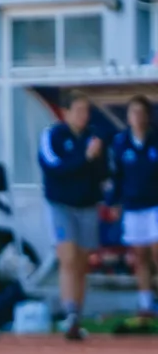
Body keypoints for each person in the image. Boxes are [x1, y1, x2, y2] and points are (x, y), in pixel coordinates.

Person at [38, 94, 108, 340]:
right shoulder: (53, 135)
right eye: (78, 110)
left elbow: (102, 173)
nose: (82, 116)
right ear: (65, 112)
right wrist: (85, 158)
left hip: (87, 206)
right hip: (61, 206)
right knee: (67, 257)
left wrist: (95, 159)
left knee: (82, 262)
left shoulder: (94, 137)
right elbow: (55, 167)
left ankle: (77, 315)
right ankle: (69, 315)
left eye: (86, 111)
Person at [110, 95, 158, 317]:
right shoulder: (120, 143)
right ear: (128, 117)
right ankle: (146, 303)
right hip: (132, 207)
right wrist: (113, 202)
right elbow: (117, 176)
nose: (138, 117)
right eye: (133, 113)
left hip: (155, 205)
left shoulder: (155, 139)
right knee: (140, 256)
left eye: (141, 112)